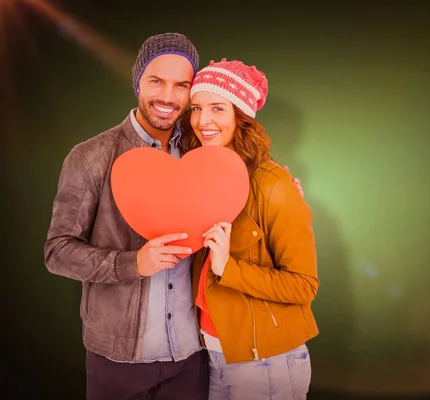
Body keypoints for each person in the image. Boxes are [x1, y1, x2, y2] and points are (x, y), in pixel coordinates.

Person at [43, 33, 303, 400]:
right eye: (156, 81)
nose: (167, 96)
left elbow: (242, 174)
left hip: (191, 356)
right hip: (118, 357)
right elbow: (57, 252)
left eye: (181, 85)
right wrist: (133, 263)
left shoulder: (201, 147)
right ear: (137, 83)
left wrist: (281, 188)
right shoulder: (90, 157)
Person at [187, 59, 319, 400]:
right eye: (197, 108)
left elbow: (304, 286)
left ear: (241, 116)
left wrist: (227, 269)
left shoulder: (273, 184)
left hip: (266, 362)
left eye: (218, 108)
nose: (203, 120)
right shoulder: (202, 175)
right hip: (214, 351)